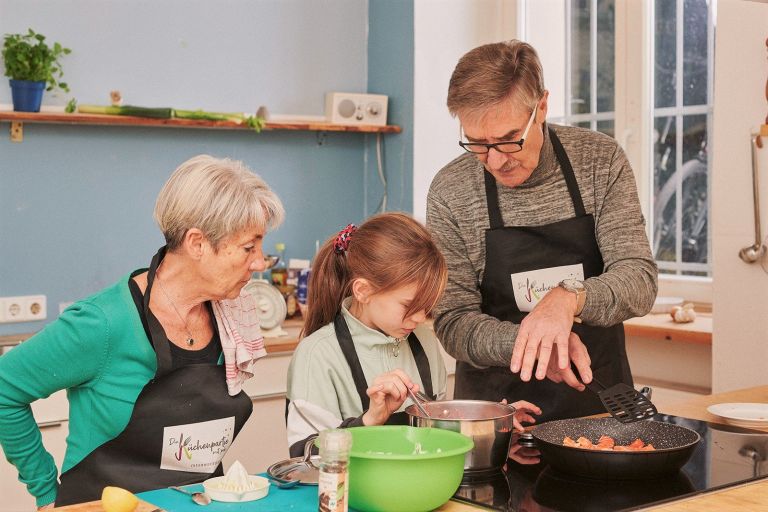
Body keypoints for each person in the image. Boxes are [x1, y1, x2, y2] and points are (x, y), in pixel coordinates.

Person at [0, 155, 285, 508]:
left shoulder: (231, 319)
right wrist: (46, 494)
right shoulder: (103, 323)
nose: (259, 262)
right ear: (197, 243)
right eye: (248, 247)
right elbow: (5, 388)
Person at [426, 40, 657, 422]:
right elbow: (453, 321)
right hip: (496, 420)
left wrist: (567, 299)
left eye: (508, 139)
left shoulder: (599, 162)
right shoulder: (451, 190)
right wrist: (534, 342)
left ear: (542, 107)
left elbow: (639, 279)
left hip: (599, 409)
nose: (495, 161)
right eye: (478, 144)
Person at [285, 212, 542, 457]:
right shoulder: (317, 354)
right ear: (363, 291)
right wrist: (369, 420)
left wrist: (490, 423)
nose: (420, 318)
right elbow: (304, 456)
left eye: (427, 307)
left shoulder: (424, 340)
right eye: (409, 306)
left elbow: (436, 435)